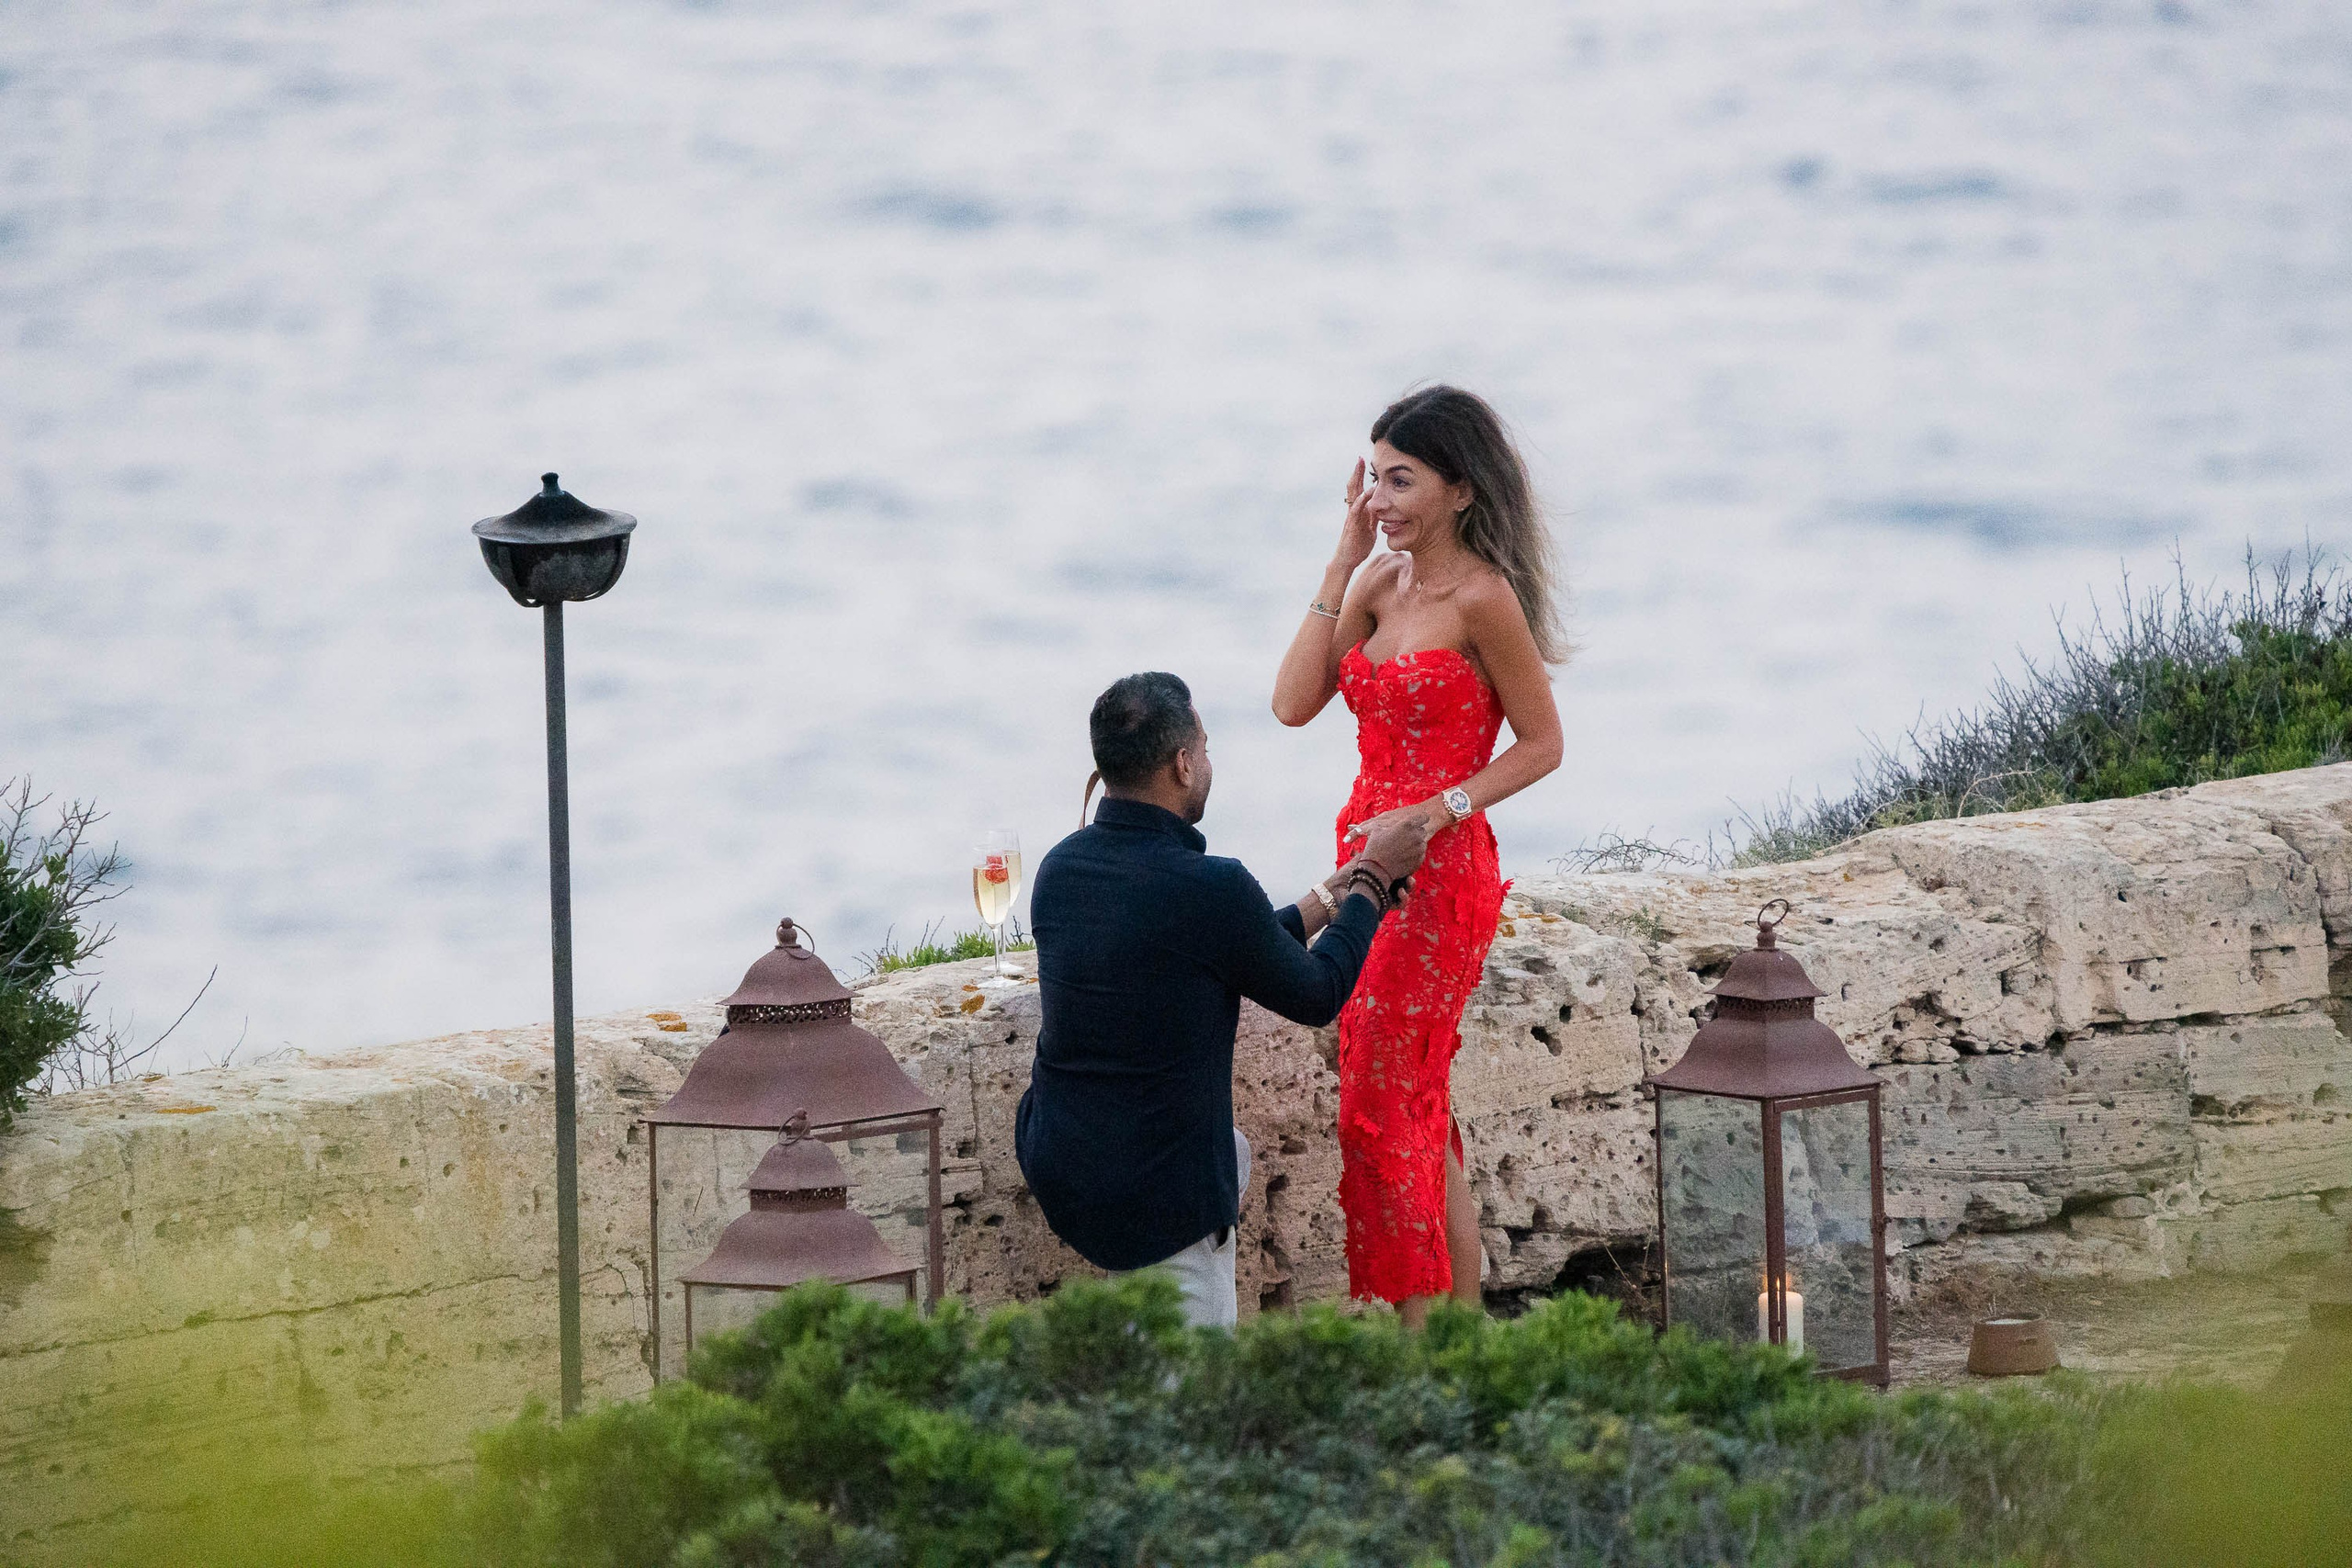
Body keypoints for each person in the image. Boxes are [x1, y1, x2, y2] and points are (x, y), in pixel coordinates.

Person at [1271, 386, 1566, 1328]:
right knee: (1414, 1110)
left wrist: (1432, 816)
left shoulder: (1484, 600)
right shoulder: (1374, 584)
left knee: (1380, 1106)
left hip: (1437, 877)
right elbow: (1290, 703)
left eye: (1399, 481)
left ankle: (1419, 1347)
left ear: (1460, 490)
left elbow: (1541, 744)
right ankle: (1458, 1338)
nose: (1380, 498)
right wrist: (1340, 559)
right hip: (1359, 868)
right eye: (1372, 479)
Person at [1014, 671, 1431, 1327]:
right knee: (1198, 1414)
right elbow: (1316, 992)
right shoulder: (1211, 887)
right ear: (1182, 764)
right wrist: (1376, 880)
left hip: (1068, 1166)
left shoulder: (1061, 868)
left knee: (1228, 1151)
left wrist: (1337, 894)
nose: (1208, 761)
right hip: (1158, 1196)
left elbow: (1217, 945)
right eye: (1204, 748)